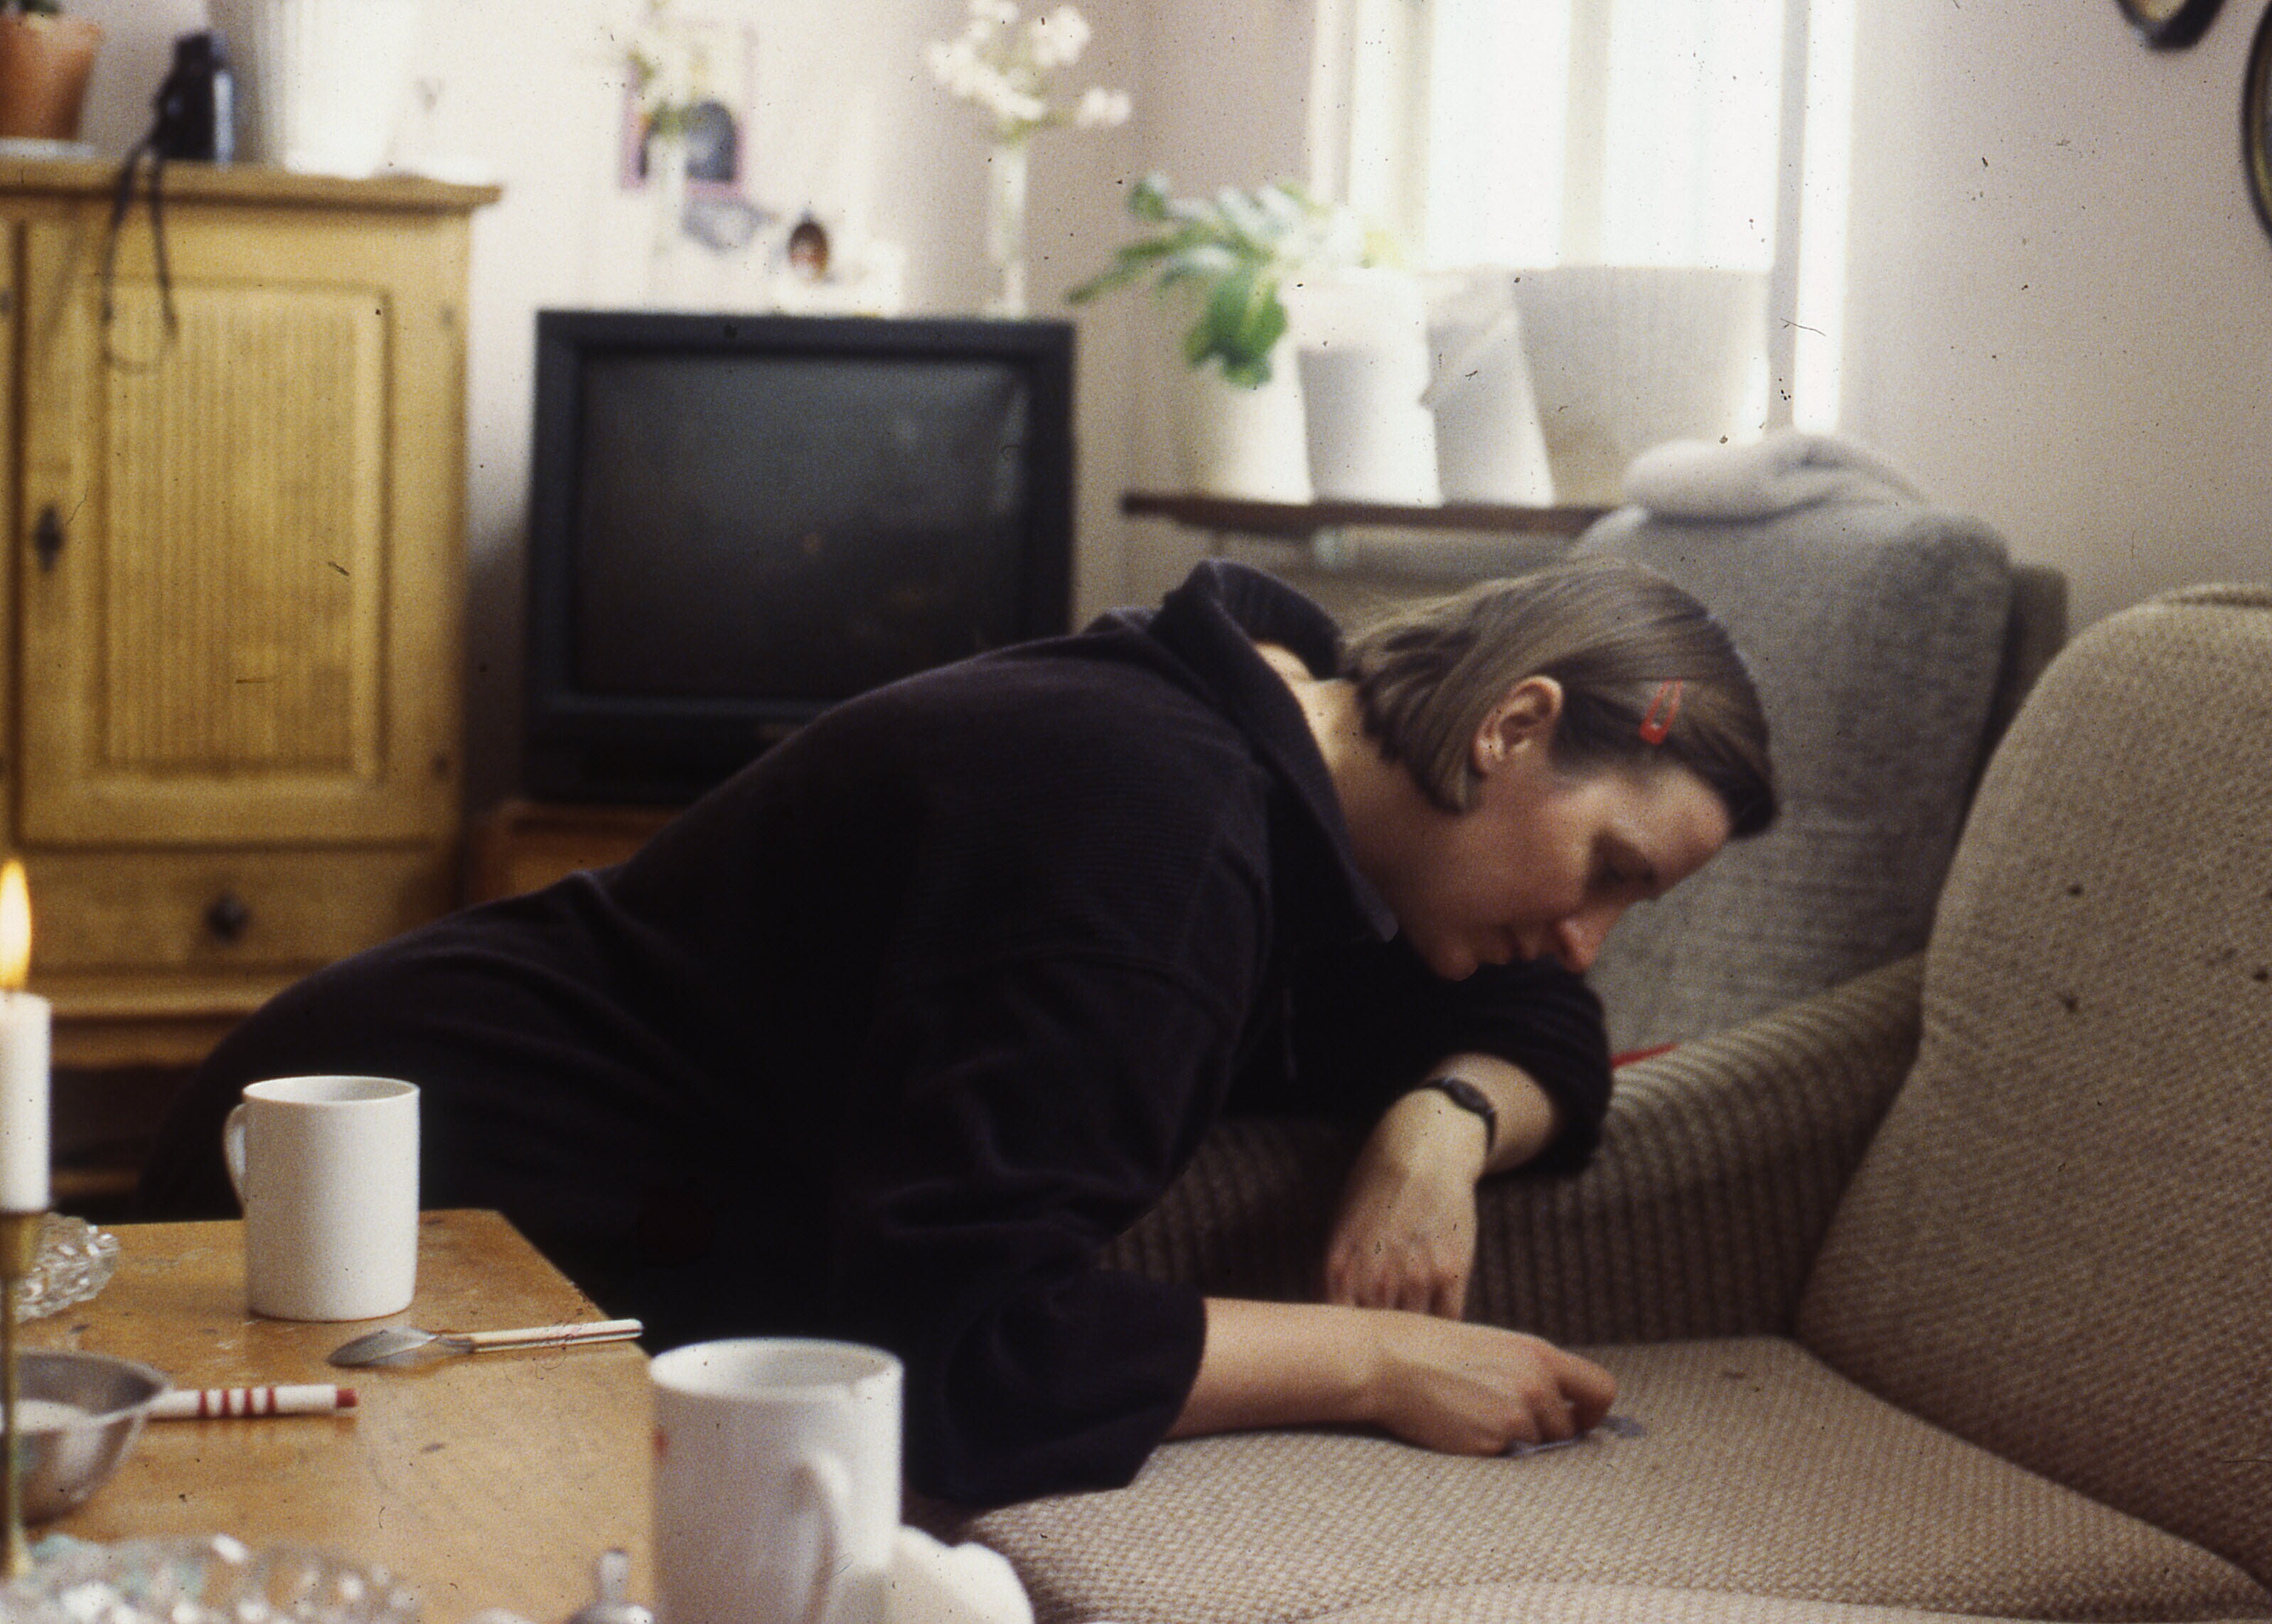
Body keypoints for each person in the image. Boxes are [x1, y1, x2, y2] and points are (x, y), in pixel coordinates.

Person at [139, 556, 1775, 1507]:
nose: (1589, 934)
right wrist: (1378, 1360)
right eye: (1608, 869)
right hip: (404, 1208)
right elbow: (956, 1351)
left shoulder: (1304, 779)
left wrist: (1441, 1127)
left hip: (466, 1193)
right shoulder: (1166, 841)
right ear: (1510, 728)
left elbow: (1543, 1018)